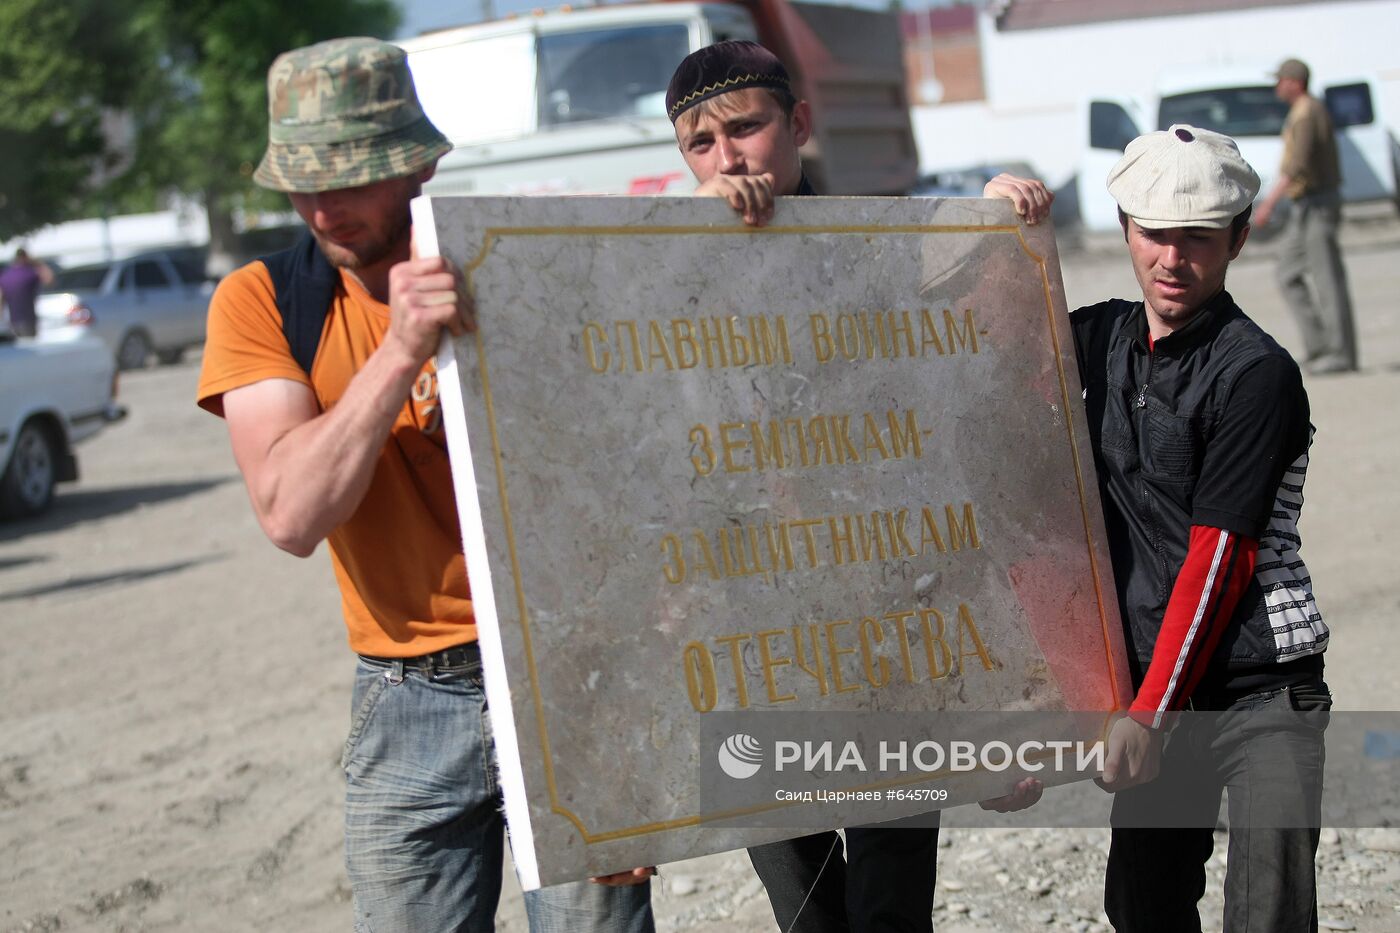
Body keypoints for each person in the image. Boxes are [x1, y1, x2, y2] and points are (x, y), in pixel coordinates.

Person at [196, 37, 654, 933]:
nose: (322, 206)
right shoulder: (262, 301)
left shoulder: (523, 259)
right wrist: (404, 346)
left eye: (350, 176)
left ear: (418, 165)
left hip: (568, 679)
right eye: (303, 181)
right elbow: (290, 513)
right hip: (406, 698)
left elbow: (640, 455)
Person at [664, 39, 1048, 933]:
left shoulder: (875, 244)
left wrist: (994, 210)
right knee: (800, 893)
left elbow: (964, 435)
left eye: (747, 128)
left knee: (890, 881)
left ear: (796, 124)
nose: (730, 158)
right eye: (701, 143)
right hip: (747, 625)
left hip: (886, 616)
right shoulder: (660, 268)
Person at [1073, 125, 1331, 932]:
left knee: (1268, 915)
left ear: (1240, 238)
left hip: (1264, 686)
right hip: (1157, 677)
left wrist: (1148, 715)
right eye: (1153, 232)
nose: (1171, 258)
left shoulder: (1258, 372)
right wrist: (1002, 208)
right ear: (1124, 229)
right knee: (1141, 907)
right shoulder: (1096, 339)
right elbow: (971, 329)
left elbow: (1221, 558)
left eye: (1198, 237)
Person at [1254, 57, 1357, 374]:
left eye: (1281, 80)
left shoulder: (1307, 112)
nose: (1277, 87)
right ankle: (1319, 346)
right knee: (1287, 273)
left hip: (1317, 205)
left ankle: (1340, 354)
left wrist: (1268, 204)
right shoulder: (1302, 112)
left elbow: (1296, 165)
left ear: (1295, 82)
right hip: (1305, 206)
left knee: (1327, 279)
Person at [0, 248, 54, 337]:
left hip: (11, 321)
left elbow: (1, 298)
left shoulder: (6, 275)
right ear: (25, 257)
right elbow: (49, 281)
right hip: (28, 320)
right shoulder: (29, 273)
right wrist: (38, 263)